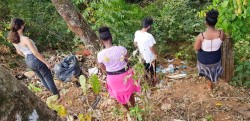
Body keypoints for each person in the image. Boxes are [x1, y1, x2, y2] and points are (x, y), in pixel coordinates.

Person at [7, 18, 60, 97]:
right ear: (21, 26)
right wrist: (46, 63)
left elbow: (19, 52)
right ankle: (57, 95)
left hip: (28, 60)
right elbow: (35, 52)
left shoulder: (14, 40)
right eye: (23, 24)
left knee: (42, 78)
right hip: (35, 58)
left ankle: (53, 94)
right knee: (47, 77)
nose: (24, 26)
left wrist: (27, 57)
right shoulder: (25, 39)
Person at [97, 26, 140, 111]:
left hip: (112, 78)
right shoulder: (121, 49)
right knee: (130, 93)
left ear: (101, 41)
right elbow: (128, 61)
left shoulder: (100, 55)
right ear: (111, 37)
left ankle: (128, 111)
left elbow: (103, 69)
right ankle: (135, 109)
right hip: (125, 75)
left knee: (119, 95)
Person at [194, 9, 226, 90]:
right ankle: (211, 81)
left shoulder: (201, 36)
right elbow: (222, 40)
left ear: (206, 23)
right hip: (216, 60)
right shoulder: (221, 33)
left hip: (204, 61)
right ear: (215, 22)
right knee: (212, 66)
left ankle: (209, 84)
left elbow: (196, 48)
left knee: (204, 63)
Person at [134, 17, 157, 85]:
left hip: (142, 55)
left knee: (145, 69)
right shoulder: (149, 36)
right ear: (149, 26)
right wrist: (155, 54)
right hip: (150, 56)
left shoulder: (137, 33)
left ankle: (146, 82)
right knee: (152, 69)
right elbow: (151, 48)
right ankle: (153, 82)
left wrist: (140, 47)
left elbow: (135, 43)